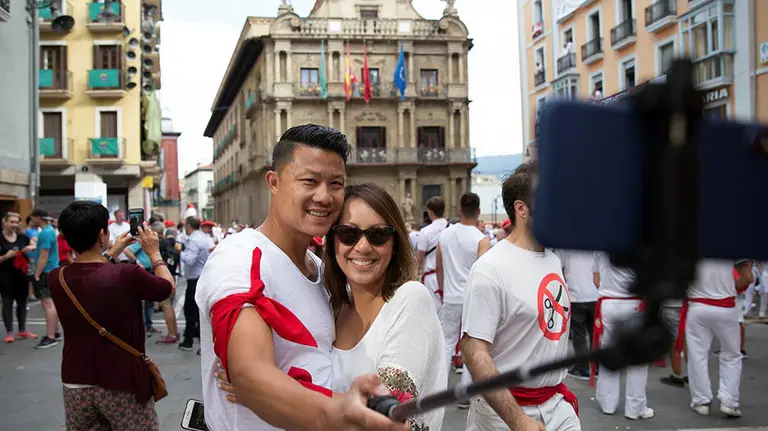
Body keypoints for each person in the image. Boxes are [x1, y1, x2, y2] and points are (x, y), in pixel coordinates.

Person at [194, 124, 409, 431]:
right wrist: (336, 413)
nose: (324, 196)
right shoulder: (241, 259)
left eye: (336, 184)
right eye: (309, 181)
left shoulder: (319, 270)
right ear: (274, 182)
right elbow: (248, 373)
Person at [461, 162, 580, 431]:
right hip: (503, 414)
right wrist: (517, 420)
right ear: (521, 208)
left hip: (557, 404)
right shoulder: (490, 269)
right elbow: (473, 351)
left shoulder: (552, 259)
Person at [326, 183, 447, 430]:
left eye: (378, 235)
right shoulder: (332, 306)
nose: (362, 246)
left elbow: (385, 412)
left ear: (394, 246)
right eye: (349, 233)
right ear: (332, 242)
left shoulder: (411, 299)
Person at [48, 200, 174, 430]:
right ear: (102, 234)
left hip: (76, 380)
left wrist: (111, 252)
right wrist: (154, 254)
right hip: (123, 380)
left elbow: (89, 275)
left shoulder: (57, 278)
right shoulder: (127, 274)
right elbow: (167, 288)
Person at [678, 259, 749, 418]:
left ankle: (701, 401)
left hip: (698, 306)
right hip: (726, 307)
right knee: (731, 355)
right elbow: (745, 278)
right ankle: (729, 400)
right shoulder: (728, 248)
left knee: (698, 355)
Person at [591, 251, 653, 420]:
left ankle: (608, 402)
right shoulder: (639, 245)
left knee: (608, 352)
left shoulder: (600, 247)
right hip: (633, 304)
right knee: (638, 355)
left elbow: (596, 279)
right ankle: (635, 407)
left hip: (608, 303)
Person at [436, 192, 490, 377]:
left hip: (450, 296)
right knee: (471, 344)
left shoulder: (444, 235)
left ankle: (439, 387)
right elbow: (483, 274)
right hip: (471, 298)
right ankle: (467, 390)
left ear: (460, 210)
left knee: (446, 343)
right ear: (478, 211)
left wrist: (443, 290)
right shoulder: (481, 239)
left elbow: (439, 267)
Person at [554, 250, 597, 381]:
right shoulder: (596, 246)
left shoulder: (565, 249)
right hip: (595, 295)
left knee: (579, 334)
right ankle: (597, 366)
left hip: (575, 296)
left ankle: (582, 367)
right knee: (594, 333)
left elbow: (556, 266)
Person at [1, 212, 38, 343]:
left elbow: (35, 245)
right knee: (7, 302)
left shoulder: (22, 237)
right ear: (4, 222)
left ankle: (22, 330)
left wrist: (30, 248)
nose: (14, 225)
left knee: (22, 302)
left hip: (21, 275)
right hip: (5, 276)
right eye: (11, 222)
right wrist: (6, 256)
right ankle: (9, 331)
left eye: (16, 222)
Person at [29, 208, 61, 349]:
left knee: (48, 304)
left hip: (46, 271)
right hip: (51, 270)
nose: (31, 221)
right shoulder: (48, 231)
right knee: (51, 303)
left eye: (32, 218)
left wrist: (37, 273)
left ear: (38, 218)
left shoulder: (46, 233)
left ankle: (50, 336)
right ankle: (54, 332)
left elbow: (44, 255)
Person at [179, 216, 211, 351]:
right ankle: (196, 334)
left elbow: (190, 260)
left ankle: (189, 340)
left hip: (195, 278)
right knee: (197, 310)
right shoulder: (202, 237)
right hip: (200, 276)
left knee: (189, 310)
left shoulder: (194, 239)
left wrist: (179, 252)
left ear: (188, 225)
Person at [416, 196, 448, 312]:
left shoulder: (425, 232)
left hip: (431, 278)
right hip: (450, 276)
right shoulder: (452, 228)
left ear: (430, 212)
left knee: (434, 312)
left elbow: (420, 259)